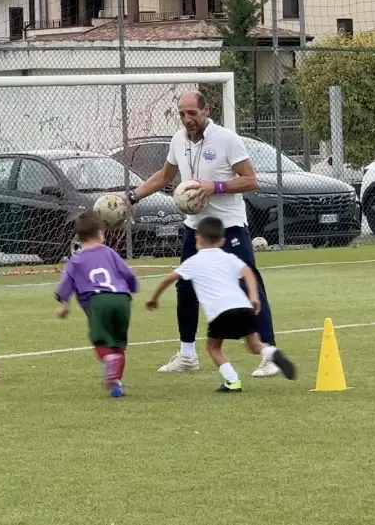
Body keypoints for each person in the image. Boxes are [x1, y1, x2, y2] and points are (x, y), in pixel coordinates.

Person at [124, 90, 280, 378]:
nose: (187, 119)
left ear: (206, 110)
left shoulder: (227, 139)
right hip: (195, 228)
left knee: (249, 285)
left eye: (192, 113)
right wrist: (130, 198)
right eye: (182, 114)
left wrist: (214, 187)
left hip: (229, 227)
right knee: (185, 288)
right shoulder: (177, 140)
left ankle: (268, 353)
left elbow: (251, 180)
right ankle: (187, 355)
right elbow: (164, 176)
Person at [145, 217, 295, 392]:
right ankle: (271, 353)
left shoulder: (193, 262)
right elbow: (247, 271)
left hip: (220, 313)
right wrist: (253, 296)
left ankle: (232, 381)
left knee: (213, 348)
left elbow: (169, 278)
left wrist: (154, 298)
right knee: (255, 345)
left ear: (197, 238)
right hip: (244, 307)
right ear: (223, 241)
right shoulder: (229, 257)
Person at [55, 211, 139, 398]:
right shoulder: (110, 253)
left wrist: (64, 305)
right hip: (122, 299)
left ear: (79, 237)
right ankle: (116, 384)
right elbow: (128, 274)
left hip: (98, 301)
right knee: (118, 344)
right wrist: (131, 289)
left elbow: (66, 283)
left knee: (101, 342)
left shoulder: (75, 260)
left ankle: (110, 361)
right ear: (101, 233)